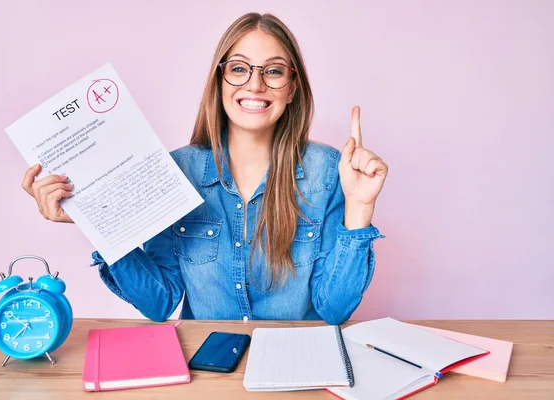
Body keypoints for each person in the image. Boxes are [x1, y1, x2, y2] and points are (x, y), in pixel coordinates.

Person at [21, 12, 388, 325]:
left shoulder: (329, 174)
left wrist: (360, 209)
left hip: (296, 367)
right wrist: (97, 221)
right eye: (239, 68)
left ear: (292, 88)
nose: (255, 84)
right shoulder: (176, 171)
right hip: (208, 373)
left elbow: (334, 309)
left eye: (273, 71)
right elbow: (159, 302)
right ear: (219, 81)